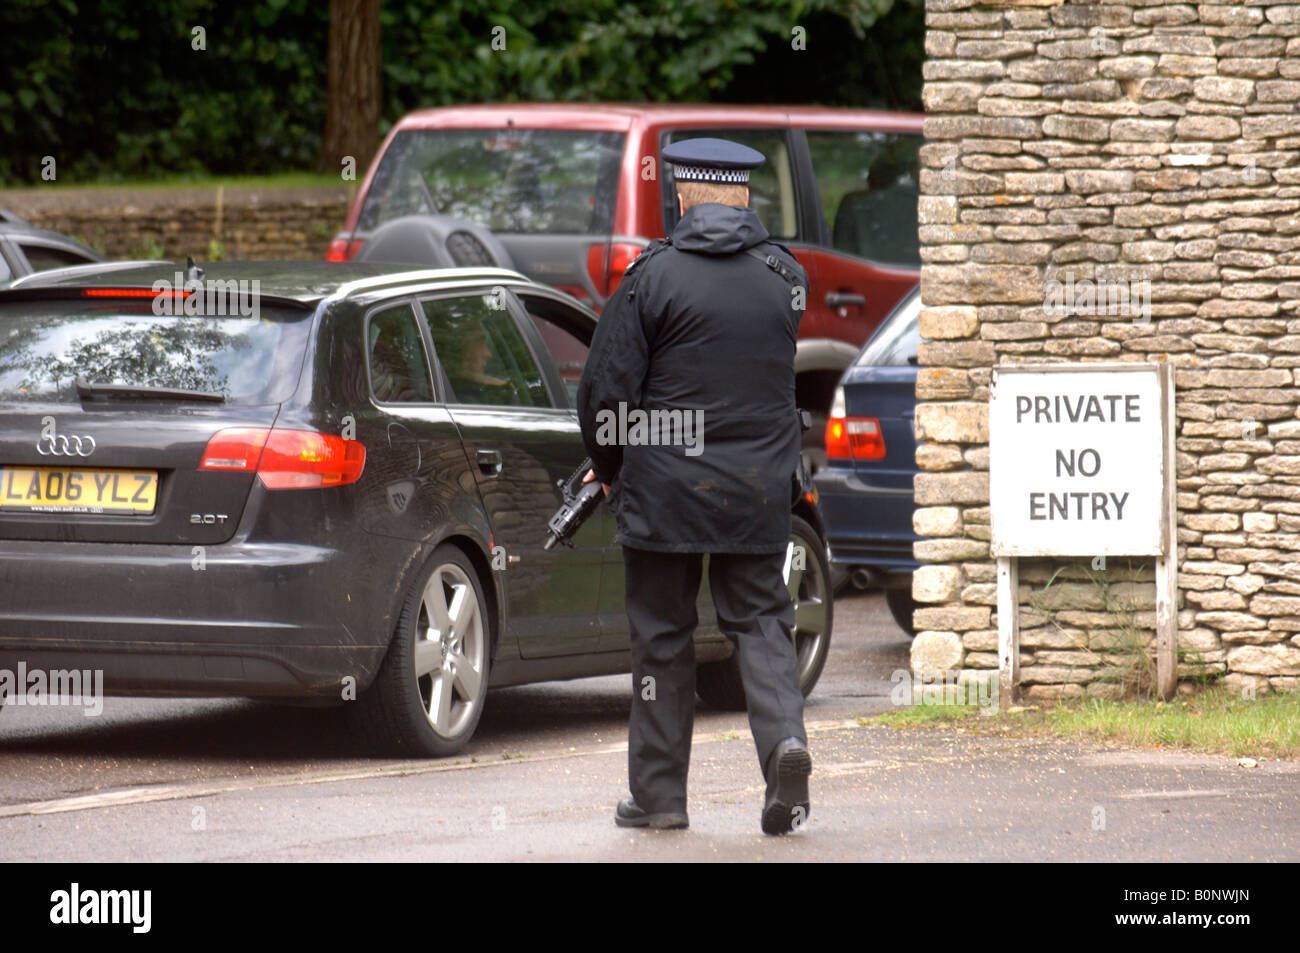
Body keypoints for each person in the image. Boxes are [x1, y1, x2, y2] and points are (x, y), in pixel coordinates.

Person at [576, 137, 812, 835]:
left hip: (665, 490)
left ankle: (658, 797)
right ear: (744, 197)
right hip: (758, 487)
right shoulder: (785, 277)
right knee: (764, 622)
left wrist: (611, 468)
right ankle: (784, 748)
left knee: (662, 637)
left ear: (682, 196)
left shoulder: (651, 277)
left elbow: (603, 394)